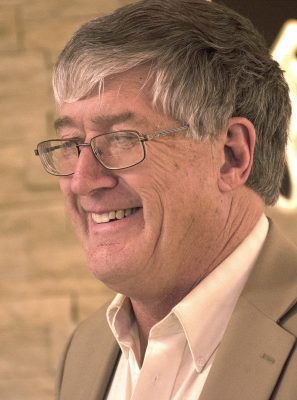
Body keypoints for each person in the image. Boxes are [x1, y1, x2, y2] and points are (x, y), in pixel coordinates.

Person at [34, 0, 297, 399]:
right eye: (71, 144)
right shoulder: (83, 351)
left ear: (231, 155)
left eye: (121, 138)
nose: (82, 181)